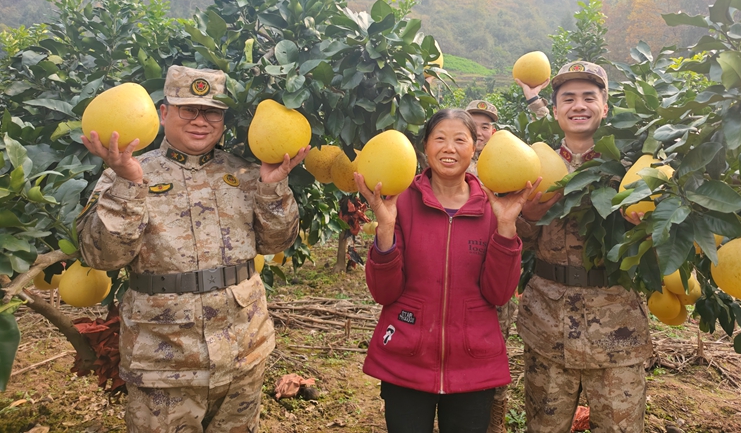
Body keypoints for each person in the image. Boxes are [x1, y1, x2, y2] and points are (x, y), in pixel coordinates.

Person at [78, 65, 309, 433]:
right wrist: (127, 184)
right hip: (164, 363)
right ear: (164, 113)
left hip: (243, 352)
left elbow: (277, 243)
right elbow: (102, 257)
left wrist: (273, 187)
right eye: (189, 109)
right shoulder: (130, 172)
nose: (201, 121)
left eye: (212, 111)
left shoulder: (246, 173)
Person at [354, 109, 533, 433]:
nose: (449, 148)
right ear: (424, 146)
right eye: (440, 138)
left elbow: (499, 293)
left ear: (475, 148)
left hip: (473, 362)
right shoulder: (401, 200)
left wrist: (506, 226)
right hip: (406, 358)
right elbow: (384, 293)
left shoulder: (492, 206)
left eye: (459, 140)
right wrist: (386, 227)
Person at [515, 61, 652, 433]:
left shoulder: (632, 169)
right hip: (547, 323)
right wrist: (526, 214)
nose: (579, 105)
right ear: (556, 109)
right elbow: (515, 241)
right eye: (568, 98)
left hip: (615, 327)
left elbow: (661, 247)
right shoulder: (532, 166)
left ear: (604, 107)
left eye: (589, 97)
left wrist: (646, 229)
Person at [465, 99, 513, 433]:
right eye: (474, 124)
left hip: (495, 276)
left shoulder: (507, 166)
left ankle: (493, 423)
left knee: (493, 356)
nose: (480, 132)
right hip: (458, 277)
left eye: (486, 126)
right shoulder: (450, 164)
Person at [465, 99, 497, 176]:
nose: (478, 133)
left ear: (493, 132)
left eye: (485, 127)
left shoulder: (498, 161)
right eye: (473, 126)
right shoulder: (453, 158)